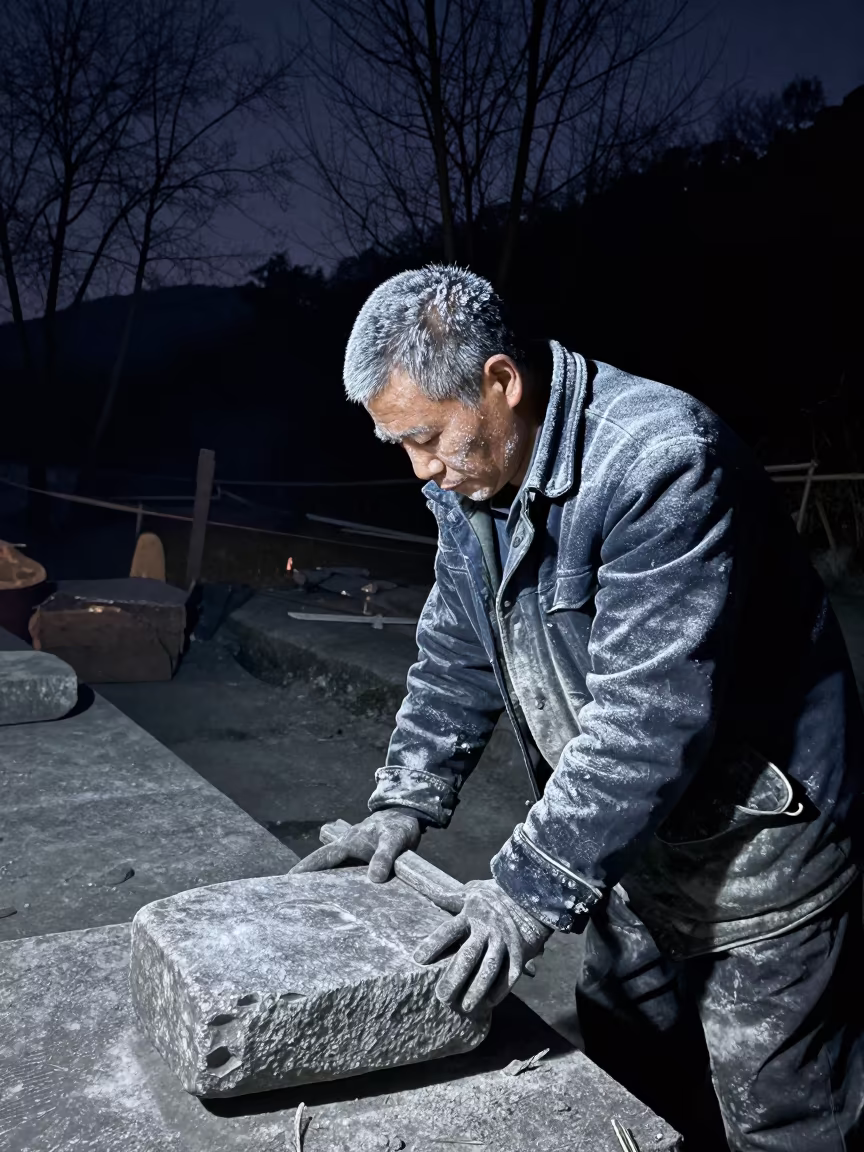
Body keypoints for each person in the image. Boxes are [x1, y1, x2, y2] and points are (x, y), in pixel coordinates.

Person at [291, 265, 864, 1150]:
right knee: (631, 1094)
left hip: (758, 862)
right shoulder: (471, 480)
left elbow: (649, 719)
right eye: (399, 446)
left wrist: (525, 890)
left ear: (500, 383)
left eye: (428, 438)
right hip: (627, 852)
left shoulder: (661, 462)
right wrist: (402, 799)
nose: (421, 470)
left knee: (783, 1123)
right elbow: (457, 646)